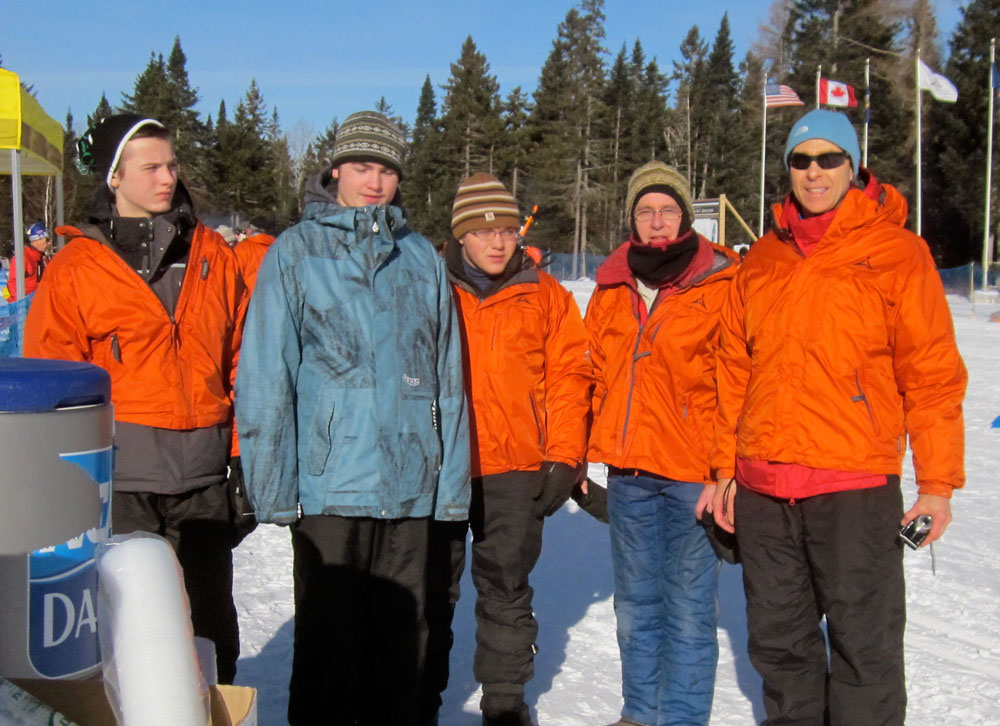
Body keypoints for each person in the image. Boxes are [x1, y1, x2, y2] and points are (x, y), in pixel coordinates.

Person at [711, 109, 967, 726]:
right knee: (781, 651)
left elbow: (930, 373)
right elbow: (731, 367)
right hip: (764, 491)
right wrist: (724, 467)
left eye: (829, 159)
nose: (815, 171)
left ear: (853, 167)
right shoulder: (765, 258)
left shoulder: (897, 253)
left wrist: (936, 485)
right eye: (802, 160)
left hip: (852, 487)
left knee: (866, 653)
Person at [234, 110, 471, 726]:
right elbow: (266, 376)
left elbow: (448, 381)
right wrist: (272, 488)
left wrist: (448, 491)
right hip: (330, 487)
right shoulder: (296, 252)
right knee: (328, 652)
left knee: (400, 654)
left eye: (387, 169)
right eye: (362, 166)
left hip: (409, 488)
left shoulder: (421, 258)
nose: (374, 181)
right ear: (335, 169)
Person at [23, 114, 246, 683]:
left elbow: (242, 360)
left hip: (201, 474)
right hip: (118, 480)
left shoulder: (213, 255)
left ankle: (214, 712)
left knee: (210, 626)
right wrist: (59, 476)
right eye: (150, 167)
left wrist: (244, 457)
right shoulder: (77, 267)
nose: (167, 177)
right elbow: (54, 377)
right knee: (125, 630)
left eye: (171, 164)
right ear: (115, 178)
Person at [427, 172, 592, 726]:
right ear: (459, 236)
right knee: (430, 593)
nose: (497, 242)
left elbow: (571, 376)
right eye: (482, 230)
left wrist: (564, 455)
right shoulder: (428, 286)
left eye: (505, 230)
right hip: (439, 469)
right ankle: (420, 698)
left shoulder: (546, 294)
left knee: (506, 591)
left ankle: (503, 705)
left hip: (517, 468)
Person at [585, 161, 737, 726]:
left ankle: (681, 718)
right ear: (632, 218)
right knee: (634, 609)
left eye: (668, 210)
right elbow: (593, 372)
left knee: (690, 611)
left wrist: (726, 472)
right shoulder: (611, 285)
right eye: (646, 211)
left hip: (692, 476)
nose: (657, 222)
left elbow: (734, 383)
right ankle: (638, 713)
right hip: (628, 478)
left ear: (685, 215)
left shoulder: (720, 281)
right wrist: (577, 455)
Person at [6, 222, 52, 300]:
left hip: (40, 303)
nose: (49, 243)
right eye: (46, 240)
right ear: (36, 240)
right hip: (25, 306)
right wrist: (21, 306)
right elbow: (12, 286)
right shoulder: (23, 258)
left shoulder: (44, 258)